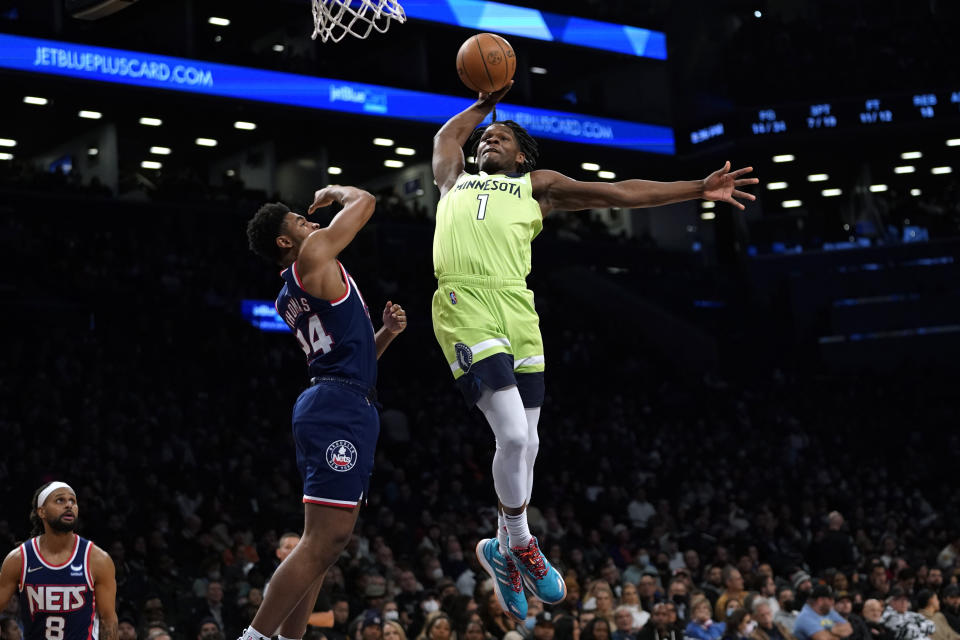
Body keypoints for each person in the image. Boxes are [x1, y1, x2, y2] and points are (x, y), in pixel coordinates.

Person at [429, 83, 758, 623]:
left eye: (502, 137)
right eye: (486, 137)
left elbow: (622, 193)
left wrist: (697, 187)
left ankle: (497, 548)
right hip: (465, 299)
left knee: (529, 442)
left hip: (518, 305)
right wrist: (483, 106)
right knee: (511, 433)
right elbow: (448, 134)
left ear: (521, 156)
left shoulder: (540, 187)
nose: (489, 139)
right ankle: (519, 539)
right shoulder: (453, 178)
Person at [242, 186, 407, 640]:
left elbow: (347, 359)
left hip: (335, 396)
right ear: (284, 242)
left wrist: (385, 334)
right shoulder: (313, 254)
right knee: (325, 541)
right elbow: (368, 201)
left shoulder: (285, 296)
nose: (310, 223)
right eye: (298, 221)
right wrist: (334, 192)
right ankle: (254, 637)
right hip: (339, 406)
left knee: (321, 546)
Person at [0, 482, 119, 640]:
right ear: (41, 511)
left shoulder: (97, 559)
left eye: (73, 501)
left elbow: (108, 620)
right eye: (60, 500)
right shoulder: (19, 559)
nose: (69, 505)